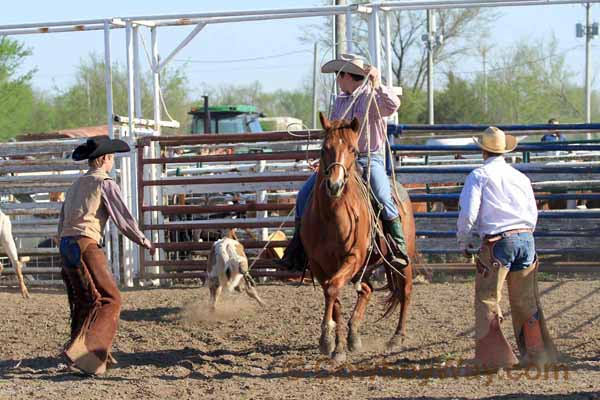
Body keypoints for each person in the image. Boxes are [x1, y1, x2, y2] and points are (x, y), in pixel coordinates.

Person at [278, 53, 408, 271]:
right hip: (339, 160)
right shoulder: (340, 100)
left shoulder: (372, 96)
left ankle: (398, 246)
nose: (337, 80)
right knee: (304, 194)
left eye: (339, 75)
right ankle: (297, 248)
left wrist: (378, 83)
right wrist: (328, 158)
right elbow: (334, 134)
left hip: (368, 157)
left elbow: (393, 105)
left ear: (347, 75)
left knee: (383, 195)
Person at [457, 127, 557, 370]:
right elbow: (532, 212)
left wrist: (465, 240)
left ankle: (494, 358)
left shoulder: (479, 175)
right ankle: (535, 354)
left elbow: (468, 214)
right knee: (526, 300)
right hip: (526, 239)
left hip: (498, 242)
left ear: (483, 150)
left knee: (487, 297)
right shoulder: (520, 177)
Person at [58, 136, 155, 375]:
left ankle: (78, 351)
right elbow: (123, 218)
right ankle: (90, 355)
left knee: (85, 300)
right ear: (105, 159)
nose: (112, 163)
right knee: (111, 299)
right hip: (86, 244)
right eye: (112, 158)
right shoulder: (105, 182)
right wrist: (143, 240)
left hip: (66, 243)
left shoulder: (75, 185)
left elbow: (62, 220)